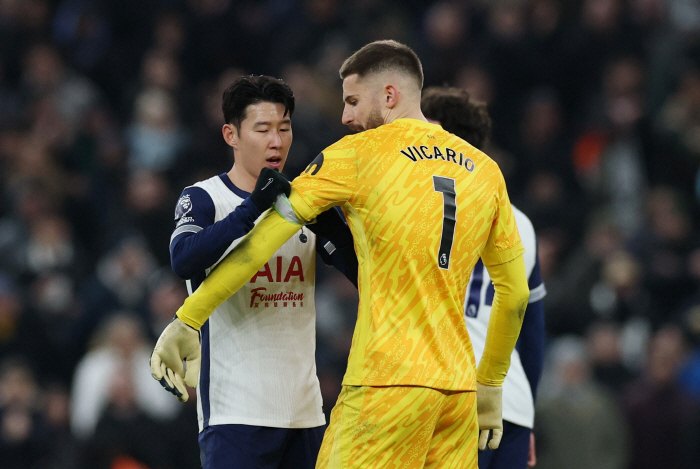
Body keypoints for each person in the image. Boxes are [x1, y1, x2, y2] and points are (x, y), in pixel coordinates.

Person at [152, 41, 530, 468]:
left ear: (389, 96)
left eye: (352, 101)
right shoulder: (485, 171)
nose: (346, 116)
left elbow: (261, 241)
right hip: (457, 394)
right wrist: (491, 383)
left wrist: (188, 317)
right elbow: (514, 295)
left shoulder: (356, 155)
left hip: (386, 383)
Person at [158, 75, 356, 469]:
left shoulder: (306, 200)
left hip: (306, 413)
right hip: (236, 415)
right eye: (263, 129)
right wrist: (252, 210)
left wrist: (331, 228)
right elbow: (184, 259)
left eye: (284, 128)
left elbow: (366, 277)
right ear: (231, 134)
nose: (277, 141)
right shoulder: (203, 197)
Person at [421, 86, 546, 469]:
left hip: (446, 395)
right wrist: (528, 418)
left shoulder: (418, 204)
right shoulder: (520, 221)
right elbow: (533, 335)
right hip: (511, 404)